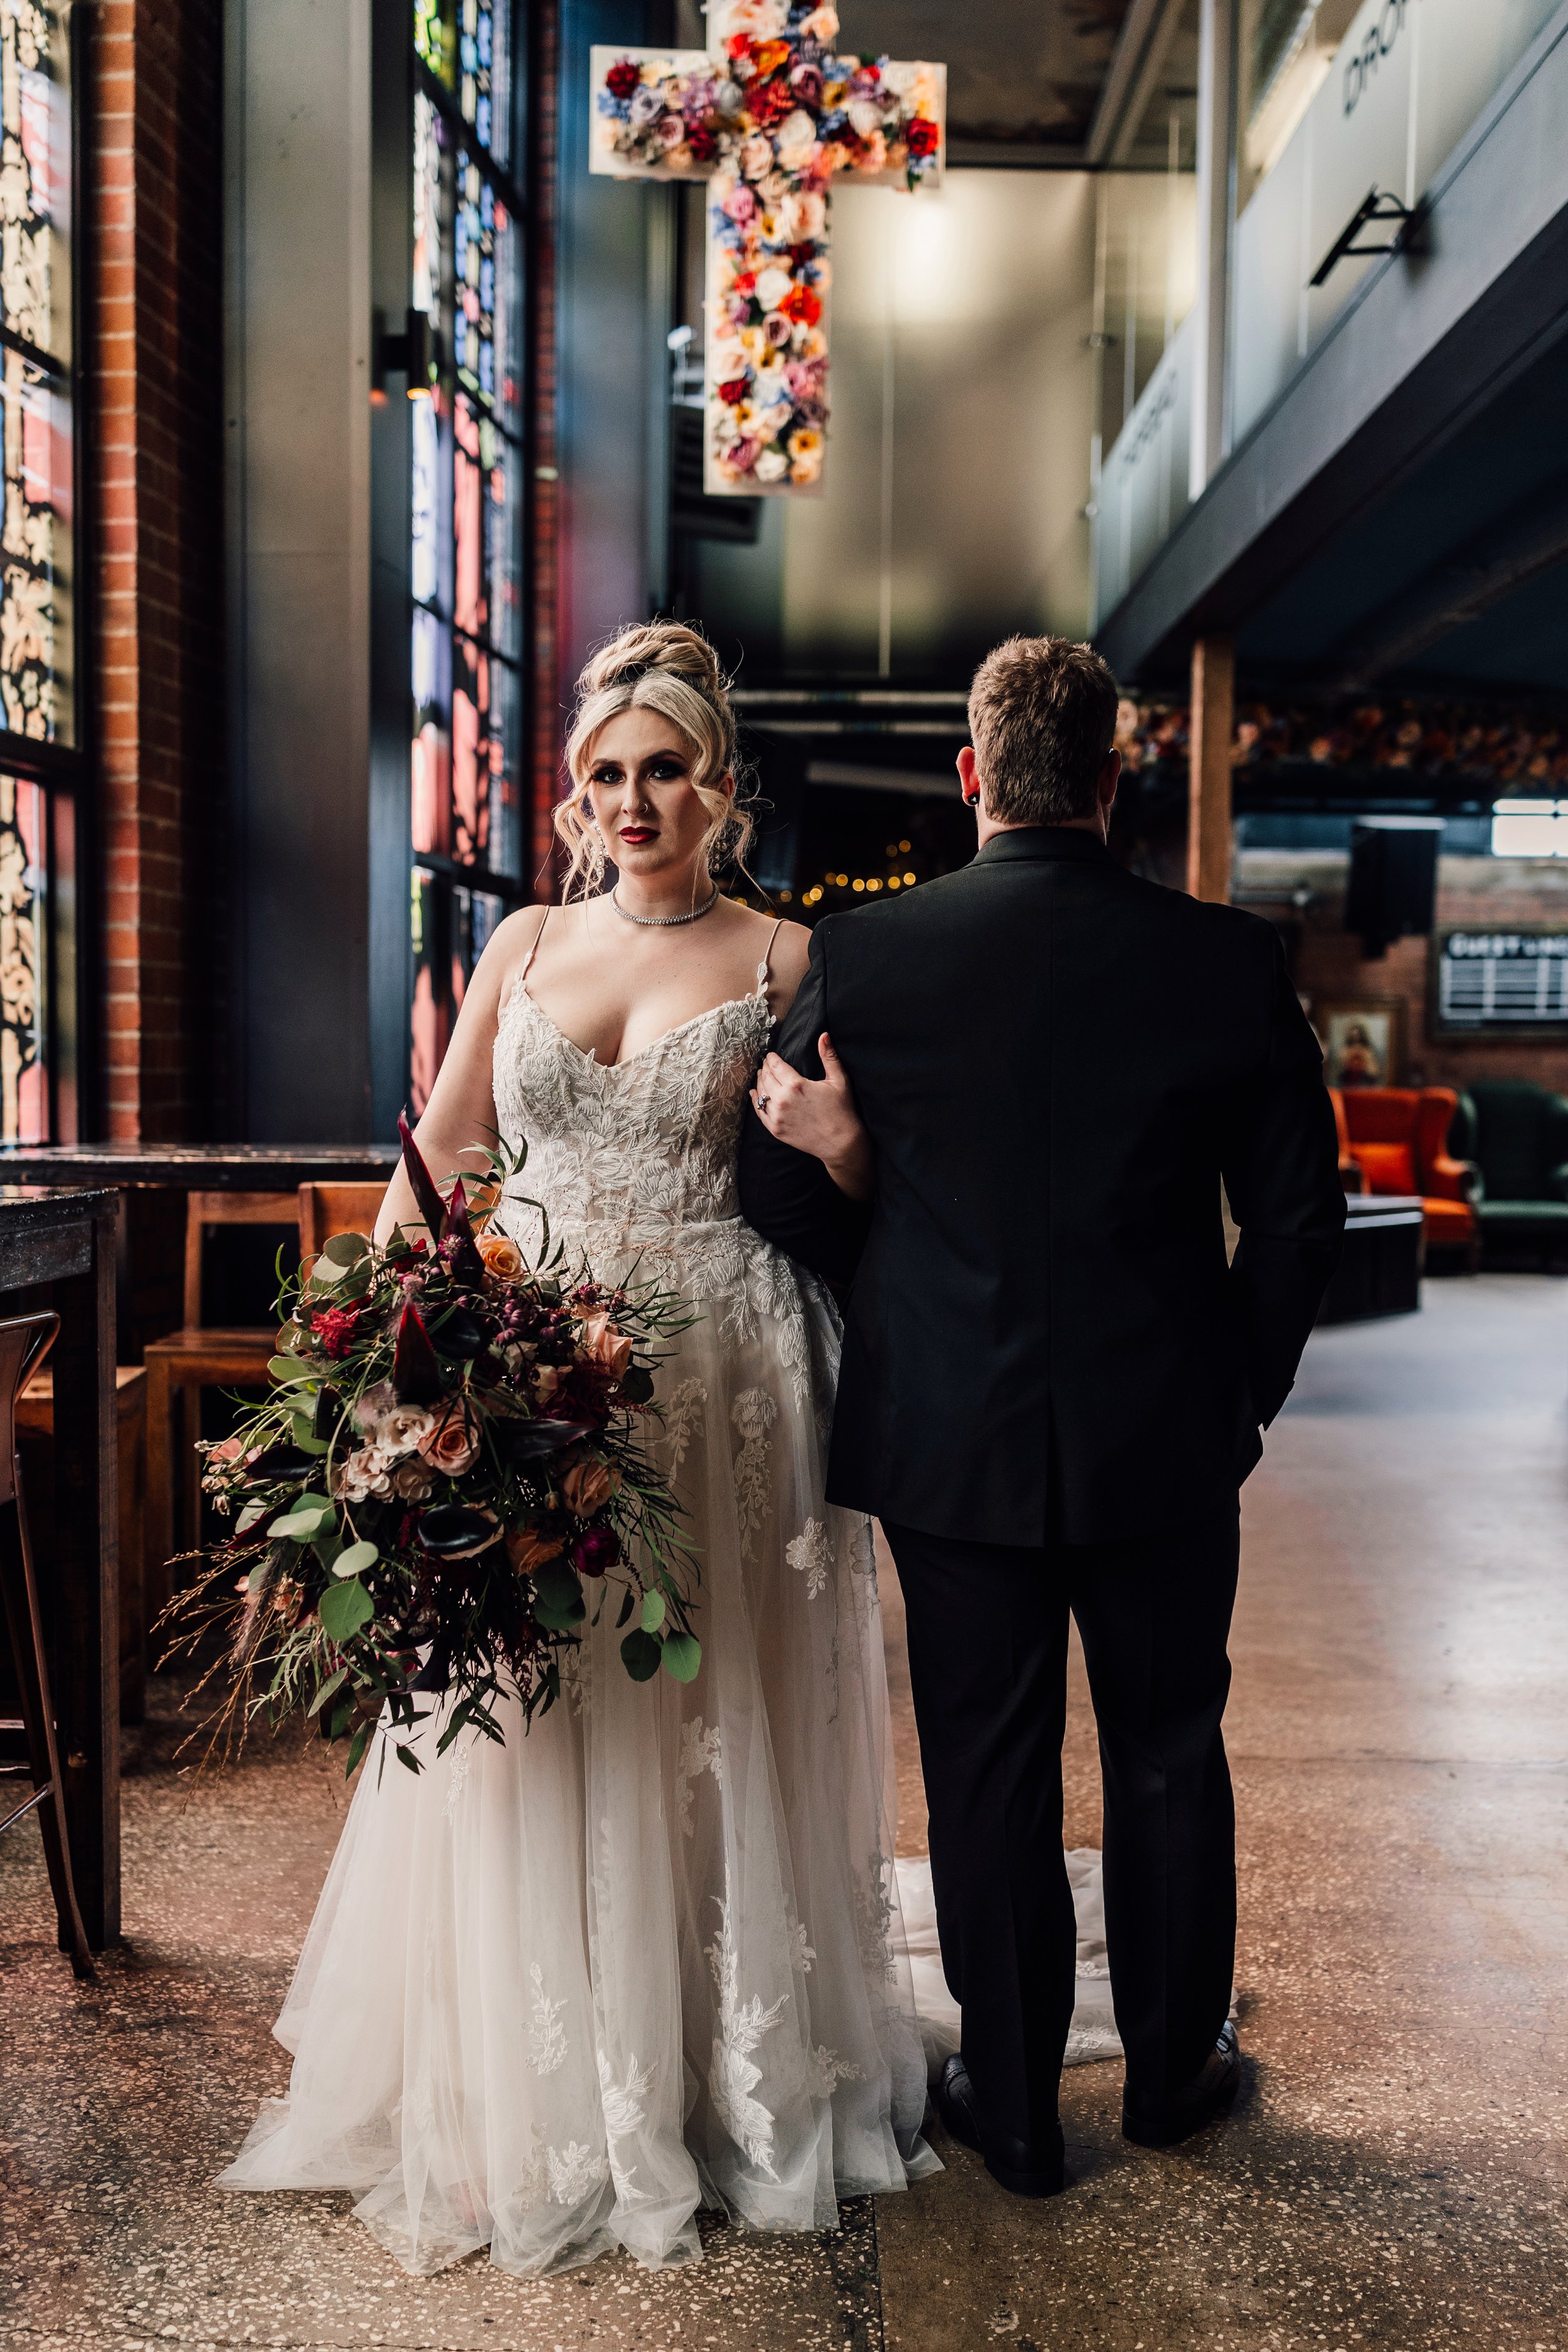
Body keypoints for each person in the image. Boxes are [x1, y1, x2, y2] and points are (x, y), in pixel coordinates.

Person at [218, 622, 934, 2275]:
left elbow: (851, 1186)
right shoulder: (524, 938)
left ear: (722, 790)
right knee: (531, 1706)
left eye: (664, 768)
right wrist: (380, 1348)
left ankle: (719, 2072)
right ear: (572, 795)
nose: (633, 795)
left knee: (707, 1700)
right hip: (527, 1359)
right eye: (605, 772)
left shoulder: (780, 956)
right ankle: (530, 2080)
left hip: (721, 1368)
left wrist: (841, 1149)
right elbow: (442, 1150)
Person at [739, 634, 1346, 2196]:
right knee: (1164, 1746)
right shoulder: (1221, 960)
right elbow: (1294, 1221)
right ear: (1109, 779)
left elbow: (765, 1184)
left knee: (986, 1766)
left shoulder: (862, 964)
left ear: (969, 778)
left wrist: (902, 1309)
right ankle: (1164, 2077)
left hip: (948, 1434)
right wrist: (1241, 1393)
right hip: (1163, 1433)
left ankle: (1008, 2107)